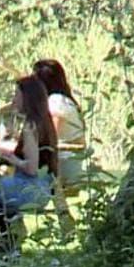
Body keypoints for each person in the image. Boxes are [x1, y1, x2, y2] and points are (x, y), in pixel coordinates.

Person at [0, 75, 58, 210]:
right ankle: (10, 228)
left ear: (27, 98)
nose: (14, 100)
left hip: (30, 189)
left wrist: (10, 158)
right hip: (44, 187)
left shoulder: (30, 126)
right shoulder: (45, 122)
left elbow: (31, 168)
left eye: (17, 95)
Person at [32, 59, 87, 190]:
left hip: (62, 166)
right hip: (66, 163)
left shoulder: (56, 101)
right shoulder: (64, 100)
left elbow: (50, 138)